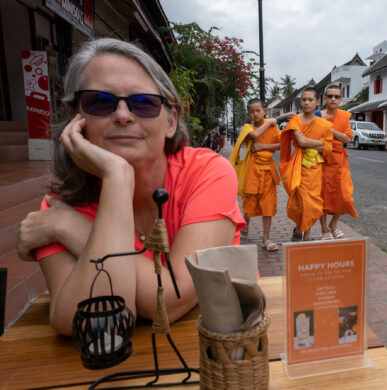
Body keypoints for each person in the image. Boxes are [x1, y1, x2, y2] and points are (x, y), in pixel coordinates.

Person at [16, 38, 245, 336]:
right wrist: (117, 178)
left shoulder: (207, 172)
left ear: (171, 121)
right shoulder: (61, 204)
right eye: (99, 101)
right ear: (77, 119)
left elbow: (171, 301)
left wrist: (74, 230)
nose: (123, 115)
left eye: (143, 103)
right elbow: (81, 322)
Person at [279, 87, 333, 241]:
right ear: (300, 102)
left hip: (315, 167)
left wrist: (314, 144)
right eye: (304, 100)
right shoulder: (296, 120)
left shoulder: (324, 125)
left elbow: (327, 149)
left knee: (311, 202)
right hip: (298, 165)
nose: (306, 103)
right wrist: (319, 143)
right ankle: (298, 227)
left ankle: (307, 235)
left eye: (310, 100)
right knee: (298, 202)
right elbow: (300, 142)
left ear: (317, 102)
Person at [230, 98, 281, 250]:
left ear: (264, 111)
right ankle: (246, 218)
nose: (256, 114)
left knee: (268, 205)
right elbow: (254, 136)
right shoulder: (247, 127)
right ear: (249, 114)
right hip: (252, 170)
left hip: (268, 171)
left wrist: (263, 146)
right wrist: (270, 121)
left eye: (258, 110)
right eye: (252, 112)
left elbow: (282, 144)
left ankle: (265, 239)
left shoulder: (273, 128)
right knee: (250, 201)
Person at [319, 84, 358, 240]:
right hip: (321, 158)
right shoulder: (317, 115)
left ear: (341, 99)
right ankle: (324, 230)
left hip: (339, 160)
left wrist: (329, 128)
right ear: (325, 98)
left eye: (336, 96)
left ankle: (333, 224)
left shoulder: (344, 116)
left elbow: (347, 138)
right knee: (321, 196)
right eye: (330, 96)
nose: (333, 99)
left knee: (344, 196)